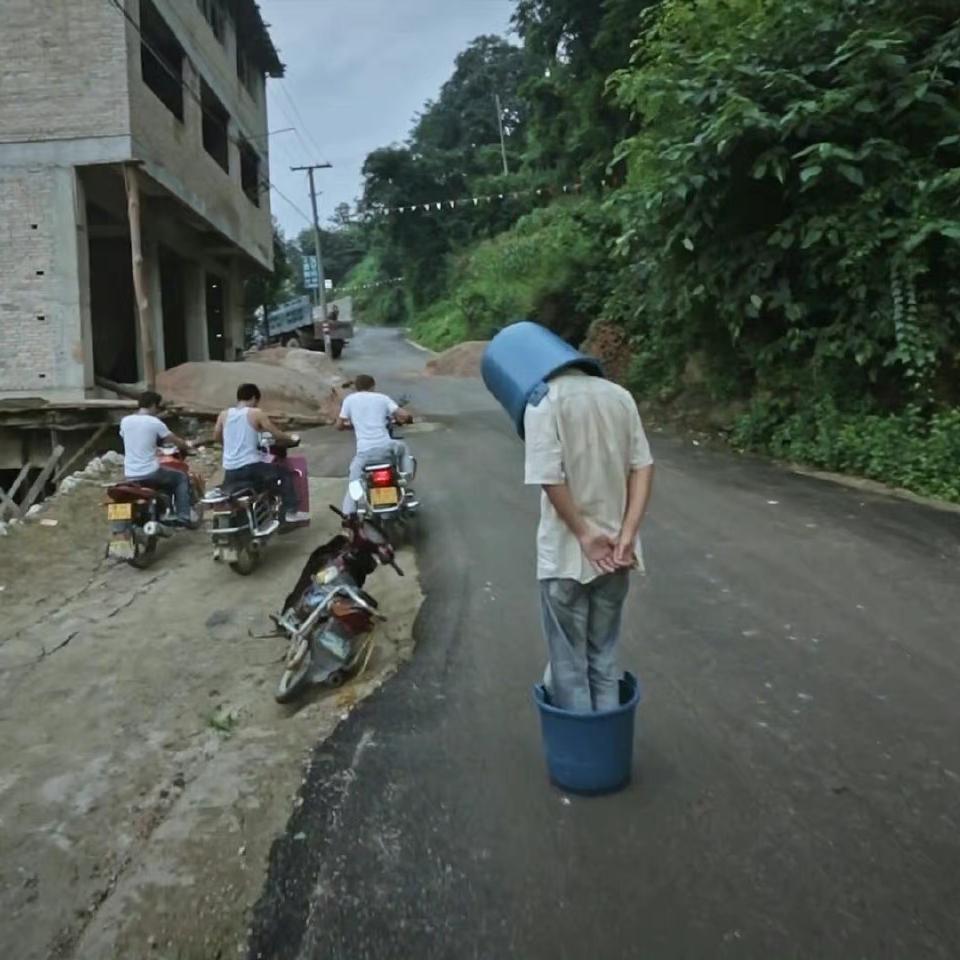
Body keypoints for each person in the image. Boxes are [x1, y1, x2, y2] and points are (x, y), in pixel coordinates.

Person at [524, 369, 654, 713]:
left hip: (567, 557)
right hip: (616, 554)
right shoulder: (620, 396)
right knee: (604, 657)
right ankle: (607, 744)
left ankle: (582, 758)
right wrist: (627, 534)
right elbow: (643, 466)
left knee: (569, 667)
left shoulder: (543, 400)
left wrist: (583, 533)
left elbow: (548, 476)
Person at [213, 383, 310, 524]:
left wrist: (230, 446)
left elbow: (216, 437)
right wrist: (291, 439)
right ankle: (291, 511)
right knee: (284, 474)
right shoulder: (255, 413)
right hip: (251, 467)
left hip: (230, 469)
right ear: (253, 398)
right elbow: (276, 434)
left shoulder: (224, 414)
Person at [337, 374, 413, 513]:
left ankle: (348, 518)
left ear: (356, 387)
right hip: (386, 448)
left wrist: (352, 425)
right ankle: (405, 477)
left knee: (353, 485)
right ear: (372, 386)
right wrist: (407, 418)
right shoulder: (382, 398)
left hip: (364, 454)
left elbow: (339, 425)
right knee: (403, 447)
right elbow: (403, 414)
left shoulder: (349, 400)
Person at [119, 391, 194, 526]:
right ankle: (183, 516)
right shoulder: (155, 422)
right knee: (181, 477)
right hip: (150, 472)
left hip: (130, 474)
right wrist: (186, 445)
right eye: (158, 407)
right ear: (153, 405)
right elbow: (174, 440)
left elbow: (133, 439)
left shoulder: (125, 421)